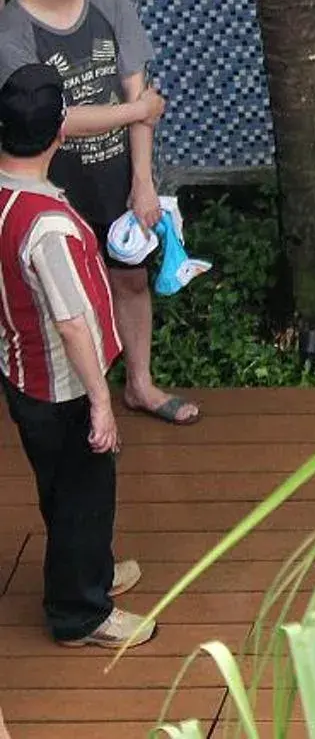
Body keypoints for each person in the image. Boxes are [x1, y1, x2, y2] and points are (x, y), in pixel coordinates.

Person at [0, 0, 193, 427]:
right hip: (55, 187)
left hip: (117, 175)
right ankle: (87, 400)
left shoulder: (110, 1)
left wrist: (142, 181)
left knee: (130, 280)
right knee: (69, 301)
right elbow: (55, 119)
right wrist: (140, 109)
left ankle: (140, 385)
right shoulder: (14, 32)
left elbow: (138, 85)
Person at [0, 64, 151, 650]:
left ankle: (90, 568)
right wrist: (101, 404)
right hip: (62, 386)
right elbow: (70, 323)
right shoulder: (49, 227)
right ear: (59, 132)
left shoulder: (9, 200)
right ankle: (80, 613)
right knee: (84, 495)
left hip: (18, 370)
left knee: (60, 489)